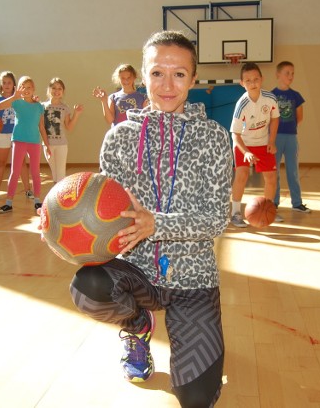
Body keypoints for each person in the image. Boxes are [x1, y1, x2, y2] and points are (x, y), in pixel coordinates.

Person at [61, 31, 232, 407]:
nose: (167, 85)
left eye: (179, 74)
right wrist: (62, 217)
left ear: (193, 79)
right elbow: (101, 208)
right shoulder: (119, 137)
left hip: (194, 281)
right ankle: (137, 326)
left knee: (195, 397)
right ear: (142, 75)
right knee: (87, 285)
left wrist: (158, 223)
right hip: (135, 270)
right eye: (157, 73)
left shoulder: (215, 138)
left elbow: (217, 218)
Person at [229, 62, 280, 228]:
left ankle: (268, 209)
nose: (252, 83)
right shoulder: (241, 105)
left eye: (255, 79)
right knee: (242, 175)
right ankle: (235, 213)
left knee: (271, 179)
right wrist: (245, 152)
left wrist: (271, 141)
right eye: (248, 80)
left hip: (263, 142)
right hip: (244, 144)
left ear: (262, 79)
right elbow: (235, 135)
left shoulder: (270, 98)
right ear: (242, 83)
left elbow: (275, 118)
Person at [0, 76, 51, 214]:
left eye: (29, 87)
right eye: (23, 87)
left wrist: (47, 145)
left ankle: (37, 201)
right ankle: (9, 202)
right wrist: (14, 97)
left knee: (35, 172)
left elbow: (42, 127)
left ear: (34, 89)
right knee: (15, 172)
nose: (26, 90)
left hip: (34, 142)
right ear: (17, 88)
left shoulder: (39, 106)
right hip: (19, 140)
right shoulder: (17, 103)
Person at [0, 71, 33, 202]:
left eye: (9, 82)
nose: (6, 85)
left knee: (22, 162)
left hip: (18, 134)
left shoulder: (20, 97)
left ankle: (28, 190)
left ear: (14, 84)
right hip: (2, 134)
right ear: (0, 84)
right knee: (0, 163)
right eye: (4, 82)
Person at [272, 61, 311, 222]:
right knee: (274, 172)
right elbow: (268, 118)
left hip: (291, 137)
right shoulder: (271, 95)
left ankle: (297, 202)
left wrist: (290, 129)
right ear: (278, 75)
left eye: (292, 73)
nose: (290, 76)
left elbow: (299, 117)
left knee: (293, 171)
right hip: (275, 138)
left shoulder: (296, 96)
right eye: (287, 73)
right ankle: (273, 203)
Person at [42, 77, 84, 183]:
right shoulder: (42, 106)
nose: (56, 91)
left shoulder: (65, 107)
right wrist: (46, 144)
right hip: (47, 144)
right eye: (54, 88)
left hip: (61, 144)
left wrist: (76, 114)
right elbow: (40, 126)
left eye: (59, 88)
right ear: (49, 89)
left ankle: (60, 198)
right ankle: (56, 196)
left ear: (63, 91)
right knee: (54, 173)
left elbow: (69, 127)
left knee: (61, 173)